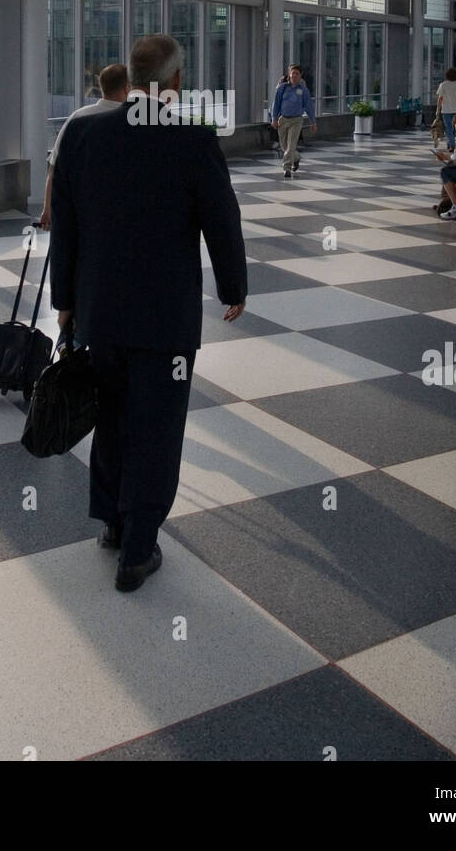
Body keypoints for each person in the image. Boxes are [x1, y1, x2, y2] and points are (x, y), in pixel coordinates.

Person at [50, 34, 247, 593]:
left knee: (111, 415)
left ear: (131, 77)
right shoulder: (192, 139)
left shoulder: (84, 133)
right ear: (177, 81)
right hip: (165, 316)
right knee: (157, 424)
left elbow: (66, 226)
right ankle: (138, 547)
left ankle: (113, 523)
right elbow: (220, 218)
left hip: (100, 311)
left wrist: (65, 302)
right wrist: (233, 284)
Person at [38, 64, 129, 230]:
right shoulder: (135, 122)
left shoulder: (77, 118)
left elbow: (54, 170)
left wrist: (47, 209)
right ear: (127, 88)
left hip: (80, 213)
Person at [271, 63, 316, 178]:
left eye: (297, 73)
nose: (294, 76)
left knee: (291, 146)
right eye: (292, 73)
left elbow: (309, 106)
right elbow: (276, 104)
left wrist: (313, 122)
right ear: (289, 75)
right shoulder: (282, 88)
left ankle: (286, 168)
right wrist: (274, 119)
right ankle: (296, 157)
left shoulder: (303, 90)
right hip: (283, 119)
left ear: (300, 75)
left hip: (296, 120)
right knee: (284, 146)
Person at [435, 67, 456, 153]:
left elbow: (440, 99)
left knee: (448, 128)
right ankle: (452, 143)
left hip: (446, 110)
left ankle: (452, 145)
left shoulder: (443, 85)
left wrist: (438, 110)